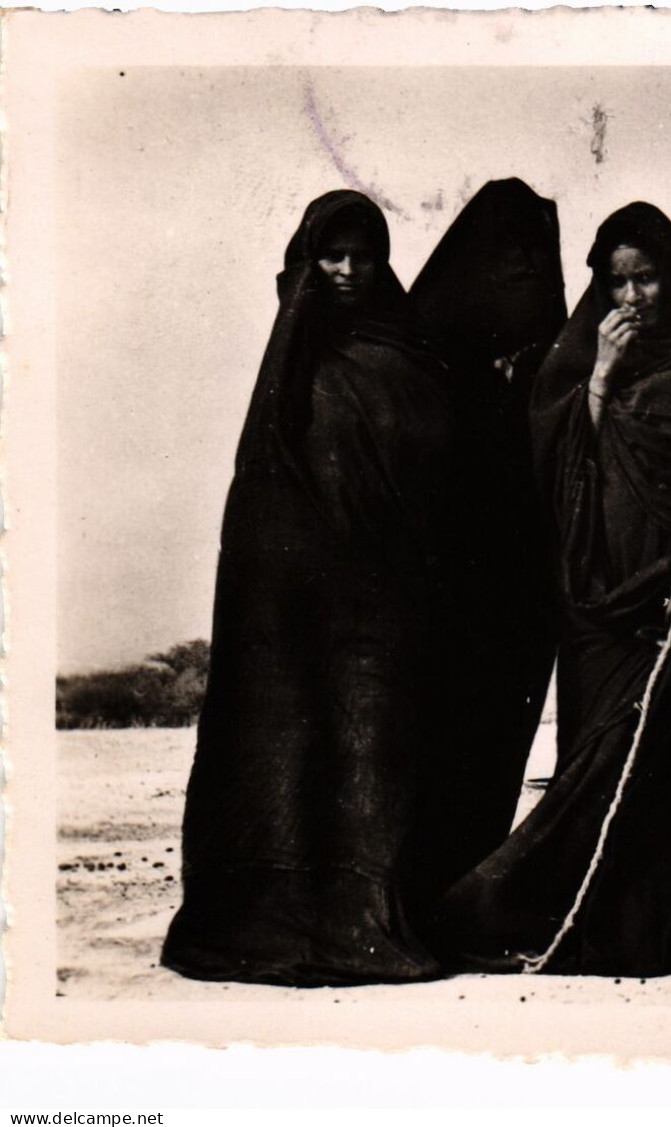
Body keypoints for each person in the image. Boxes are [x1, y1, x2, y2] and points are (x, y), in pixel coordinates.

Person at [428, 202, 671, 977]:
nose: (634, 296)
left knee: (666, 750)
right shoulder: (577, 366)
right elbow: (553, 464)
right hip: (593, 597)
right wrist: (603, 375)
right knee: (599, 750)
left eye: (648, 277)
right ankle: (588, 922)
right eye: (619, 282)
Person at [162, 190, 458, 986]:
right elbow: (262, 497)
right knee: (289, 747)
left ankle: (368, 923)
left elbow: (443, 474)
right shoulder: (288, 363)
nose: (348, 269)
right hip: (293, 604)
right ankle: (269, 918)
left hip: (386, 602)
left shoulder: (411, 352)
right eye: (332, 255)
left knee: (376, 752)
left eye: (364, 255)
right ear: (305, 261)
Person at [406, 179, 570, 904]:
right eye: (508, 256)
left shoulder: (559, 357)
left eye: (534, 256)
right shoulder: (425, 353)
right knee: (433, 740)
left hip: (526, 587)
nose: (524, 271)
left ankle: (461, 895)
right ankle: (414, 896)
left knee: (497, 745)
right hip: (443, 586)